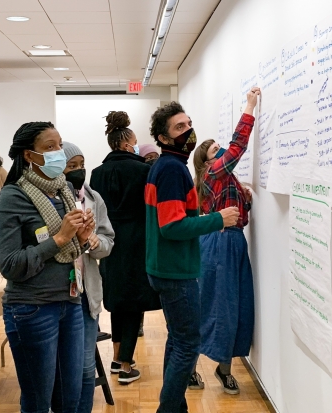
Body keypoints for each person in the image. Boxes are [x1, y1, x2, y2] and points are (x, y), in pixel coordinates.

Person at [145, 101, 240, 413]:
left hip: (165, 268)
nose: (188, 131)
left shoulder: (165, 165)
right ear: (163, 138)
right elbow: (172, 226)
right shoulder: (172, 169)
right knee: (187, 344)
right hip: (176, 273)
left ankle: (175, 407)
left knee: (178, 341)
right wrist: (218, 219)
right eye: (179, 127)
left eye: (188, 124)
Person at [0, 122, 96, 413]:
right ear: (29, 155)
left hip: (71, 301)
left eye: (60, 145)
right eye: (49, 147)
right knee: (38, 403)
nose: (58, 153)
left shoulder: (63, 190)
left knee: (70, 400)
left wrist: (83, 237)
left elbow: (73, 247)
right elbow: (10, 265)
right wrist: (60, 238)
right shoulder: (13, 196)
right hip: (32, 308)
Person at [192, 87, 260, 395]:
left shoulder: (229, 180)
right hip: (217, 245)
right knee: (213, 308)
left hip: (234, 244)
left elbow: (241, 217)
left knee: (235, 307)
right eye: (214, 151)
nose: (221, 152)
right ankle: (189, 368)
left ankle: (224, 368)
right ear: (206, 162)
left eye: (220, 149)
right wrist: (249, 106)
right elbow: (237, 148)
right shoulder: (212, 173)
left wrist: (245, 198)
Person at [90, 111, 161, 385]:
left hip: (108, 242)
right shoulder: (145, 171)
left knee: (118, 298)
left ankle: (118, 357)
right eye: (134, 140)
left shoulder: (97, 174)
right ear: (126, 143)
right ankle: (127, 365)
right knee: (135, 301)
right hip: (137, 241)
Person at [62, 142, 115, 413]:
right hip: (57, 295)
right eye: (72, 166)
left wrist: (94, 242)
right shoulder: (49, 200)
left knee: (84, 367)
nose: (79, 171)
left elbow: (108, 241)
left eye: (81, 165)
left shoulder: (94, 198)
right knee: (61, 370)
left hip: (85, 295)